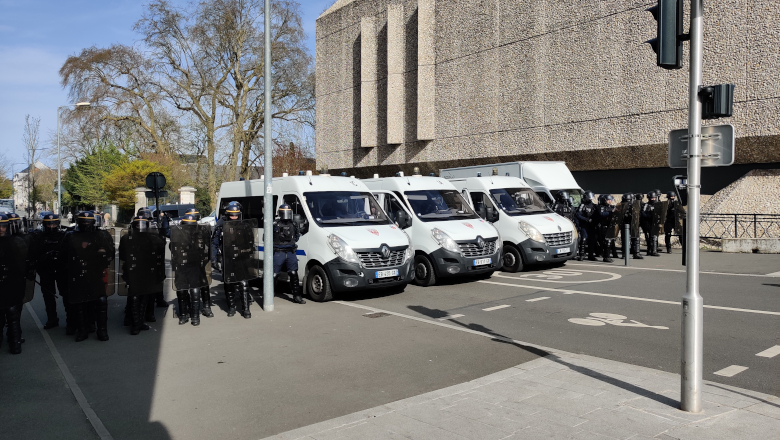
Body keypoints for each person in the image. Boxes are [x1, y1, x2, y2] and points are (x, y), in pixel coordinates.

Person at [59, 211, 115, 342]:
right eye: (83, 222)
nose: (85, 224)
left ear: (93, 222)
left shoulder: (101, 235)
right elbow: (63, 255)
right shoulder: (70, 235)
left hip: (95, 272)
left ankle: (101, 330)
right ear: (78, 222)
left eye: (88, 222)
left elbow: (110, 253)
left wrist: (100, 256)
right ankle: (82, 330)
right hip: (77, 272)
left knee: (100, 301)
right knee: (80, 303)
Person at [119, 216, 167, 335]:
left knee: (133, 295)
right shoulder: (152, 238)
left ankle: (132, 321)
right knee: (143, 296)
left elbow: (121, 256)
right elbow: (161, 248)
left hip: (132, 270)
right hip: (147, 271)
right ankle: (137, 323)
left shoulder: (126, 238)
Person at [212, 201, 255, 318]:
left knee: (244, 283)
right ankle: (231, 307)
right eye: (232, 215)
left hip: (241, 257)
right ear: (227, 214)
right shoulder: (221, 224)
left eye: (236, 214)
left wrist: (250, 254)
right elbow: (214, 243)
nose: (234, 217)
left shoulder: (244, 224)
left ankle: (246, 309)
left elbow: (250, 241)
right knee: (229, 283)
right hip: (227, 257)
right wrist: (214, 259)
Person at [170, 214, 212, 325]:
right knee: (182, 290)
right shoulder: (178, 232)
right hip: (181, 265)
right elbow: (172, 248)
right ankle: (184, 315)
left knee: (195, 290)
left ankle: (195, 316)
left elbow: (206, 248)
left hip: (195, 265)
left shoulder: (200, 233)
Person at [31, 214, 67, 329]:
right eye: (48, 224)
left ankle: (71, 320)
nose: (51, 226)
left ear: (57, 224)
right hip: (45, 269)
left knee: (66, 294)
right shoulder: (39, 236)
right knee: (48, 296)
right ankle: (52, 319)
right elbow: (34, 253)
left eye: (53, 224)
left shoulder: (64, 236)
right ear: (44, 224)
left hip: (61, 269)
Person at [0, 214, 27, 354]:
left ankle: (15, 341)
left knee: (12, 312)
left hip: (12, 281)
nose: (1, 229)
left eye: (3, 226)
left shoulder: (16, 241)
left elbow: (22, 262)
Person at [273, 204, 305, 304]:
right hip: (279, 252)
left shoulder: (293, 224)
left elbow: (296, 237)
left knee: (293, 273)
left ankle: (296, 296)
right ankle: (269, 295)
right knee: (274, 274)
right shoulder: (275, 224)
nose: (286, 215)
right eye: (284, 213)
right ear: (280, 213)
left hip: (290, 252)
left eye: (288, 213)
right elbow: (266, 237)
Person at [575, 191, 597, 261]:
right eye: (590, 196)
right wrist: (586, 219)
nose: (591, 198)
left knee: (592, 240)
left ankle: (591, 255)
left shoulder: (594, 205)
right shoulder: (582, 205)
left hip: (592, 225)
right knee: (584, 239)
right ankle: (582, 255)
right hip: (585, 225)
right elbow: (578, 215)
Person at [620, 193, 644, 259]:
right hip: (624, 224)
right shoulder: (621, 205)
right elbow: (619, 215)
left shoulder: (634, 204)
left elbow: (639, 213)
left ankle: (636, 253)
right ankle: (625, 253)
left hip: (633, 223)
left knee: (636, 238)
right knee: (625, 239)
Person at [596, 195, 618, 263]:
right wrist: (611, 212)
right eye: (608, 200)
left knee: (610, 242)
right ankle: (606, 257)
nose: (610, 201)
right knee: (606, 242)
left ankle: (610, 255)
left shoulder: (611, 207)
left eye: (610, 199)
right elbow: (602, 214)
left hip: (611, 226)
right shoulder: (601, 207)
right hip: (604, 226)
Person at [640, 191, 661, 257]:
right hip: (648, 223)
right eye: (652, 198)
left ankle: (654, 251)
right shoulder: (646, 205)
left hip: (656, 223)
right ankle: (649, 250)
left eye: (654, 198)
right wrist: (651, 215)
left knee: (654, 237)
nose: (653, 199)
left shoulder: (658, 204)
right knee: (649, 237)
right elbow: (643, 214)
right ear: (649, 198)